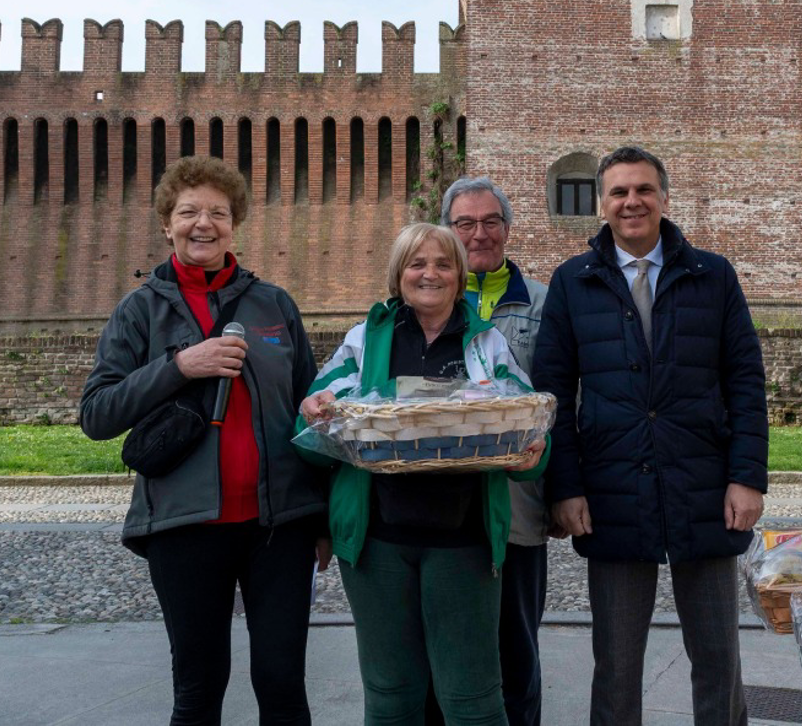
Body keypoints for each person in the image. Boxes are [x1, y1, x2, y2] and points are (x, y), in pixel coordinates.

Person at [80, 155, 329, 725]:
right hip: (183, 528)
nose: (204, 224)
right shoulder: (139, 311)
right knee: (198, 688)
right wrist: (179, 365)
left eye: (218, 212)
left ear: (234, 223)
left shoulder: (274, 305)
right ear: (166, 223)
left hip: (279, 527)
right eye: (189, 211)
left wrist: (320, 518)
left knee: (284, 684)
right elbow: (96, 413)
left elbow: (308, 418)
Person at [531, 146, 768, 726]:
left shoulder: (712, 275)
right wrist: (564, 489)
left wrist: (746, 477)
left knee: (717, 655)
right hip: (612, 488)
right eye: (618, 192)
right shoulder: (572, 282)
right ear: (601, 204)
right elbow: (551, 394)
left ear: (664, 197)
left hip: (705, 484)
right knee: (615, 661)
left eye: (642, 190)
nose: (631, 202)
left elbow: (745, 381)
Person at [298, 223, 549, 726]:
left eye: (443, 264)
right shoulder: (364, 340)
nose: (429, 274)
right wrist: (316, 408)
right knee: (390, 696)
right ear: (399, 274)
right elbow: (314, 425)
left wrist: (533, 453)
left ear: (459, 276)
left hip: (466, 542)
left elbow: (526, 426)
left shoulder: (487, 344)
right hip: (377, 543)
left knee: (473, 699)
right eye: (417, 263)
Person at [432, 177, 550, 726]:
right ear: (448, 231)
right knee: (443, 647)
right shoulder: (426, 301)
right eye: (465, 224)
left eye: (490, 222)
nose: (478, 234)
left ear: (507, 229)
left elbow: (560, 405)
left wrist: (563, 492)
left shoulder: (546, 305)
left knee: (516, 648)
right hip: (439, 508)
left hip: (517, 509)